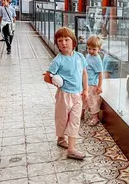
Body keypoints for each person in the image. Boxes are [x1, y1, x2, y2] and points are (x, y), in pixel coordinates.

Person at [43, 27, 88, 160]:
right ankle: (61, 138)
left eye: (67, 40)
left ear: (73, 42)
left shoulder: (80, 57)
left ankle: (71, 149)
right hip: (64, 95)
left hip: (77, 95)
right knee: (62, 119)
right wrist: (56, 81)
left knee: (74, 120)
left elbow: (84, 74)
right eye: (60, 41)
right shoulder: (58, 60)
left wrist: (85, 90)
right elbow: (46, 77)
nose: (63, 43)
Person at [82, 35, 103, 126]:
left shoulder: (97, 60)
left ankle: (95, 118)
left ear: (99, 49)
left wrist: (99, 86)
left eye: (94, 49)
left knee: (92, 101)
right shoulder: (88, 56)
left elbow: (100, 73)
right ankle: (81, 114)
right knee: (83, 99)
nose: (91, 51)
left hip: (91, 85)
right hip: (85, 83)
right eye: (89, 48)